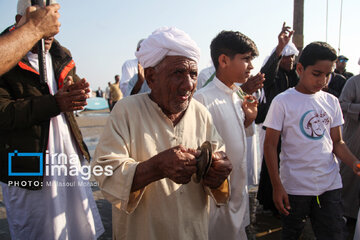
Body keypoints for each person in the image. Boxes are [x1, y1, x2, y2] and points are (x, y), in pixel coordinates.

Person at [92, 27, 232, 240]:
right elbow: (106, 173)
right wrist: (155, 167)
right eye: (178, 73)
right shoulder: (126, 111)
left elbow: (218, 165)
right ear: (151, 77)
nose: (188, 85)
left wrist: (218, 172)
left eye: (193, 74)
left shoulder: (201, 113)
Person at [0, 1, 104, 239]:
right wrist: (56, 103)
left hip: (67, 158)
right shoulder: (5, 58)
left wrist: (76, 93)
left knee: (78, 225)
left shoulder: (60, 54)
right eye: (41, 20)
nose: (49, 31)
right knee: (40, 229)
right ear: (19, 22)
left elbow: (69, 94)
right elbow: (4, 113)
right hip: (26, 166)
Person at [264, 41, 360, 239]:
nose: (322, 81)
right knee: (292, 233)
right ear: (300, 69)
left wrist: (354, 162)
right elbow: (270, 145)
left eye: (328, 75)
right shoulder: (282, 101)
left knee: (334, 233)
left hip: (329, 185)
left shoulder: (331, 101)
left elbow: (337, 143)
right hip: (294, 187)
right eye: (317, 74)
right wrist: (277, 185)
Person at [194, 30, 262, 239]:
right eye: (246, 59)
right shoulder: (202, 99)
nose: (251, 66)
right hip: (215, 196)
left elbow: (240, 133)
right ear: (223, 60)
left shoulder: (238, 95)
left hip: (237, 191)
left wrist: (249, 119)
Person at [256, 23, 299, 215]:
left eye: (293, 57)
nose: (290, 60)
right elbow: (266, 73)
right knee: (272, 165)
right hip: (274, 129)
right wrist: (280, 48)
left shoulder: (295, 78)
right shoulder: (274, 76)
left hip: (291, 131)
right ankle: (269, 202)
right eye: (287, 56)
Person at [0, 3, 60, 76]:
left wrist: (71, 87)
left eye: (52, 21)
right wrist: (35, 29)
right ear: (19, 20)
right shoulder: (7, 62)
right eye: (42, 20)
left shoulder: (63, 57)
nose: (49, 30)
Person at [339, 74, 360, 222]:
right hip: (354, 139)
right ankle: (343, 213)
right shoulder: (353, 82)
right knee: (349, 175)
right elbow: (342, 104)